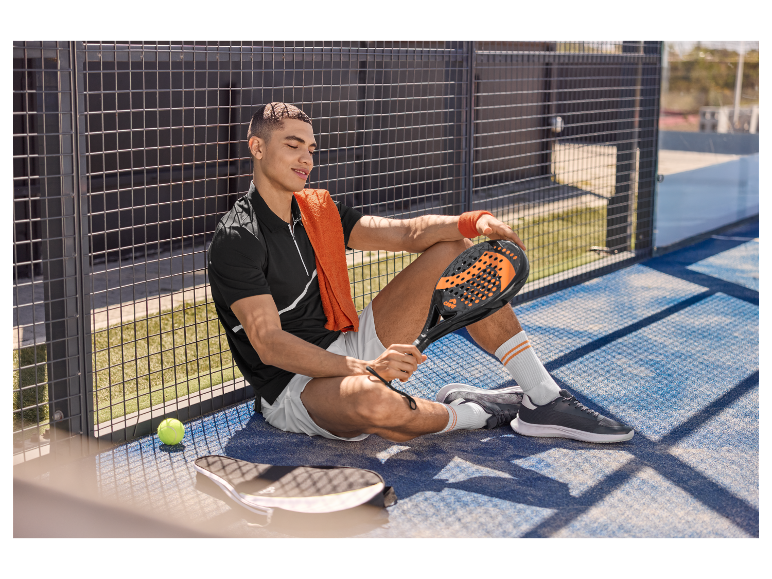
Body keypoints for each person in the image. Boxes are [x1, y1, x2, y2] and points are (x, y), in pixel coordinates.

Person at [208, 102, 633, 444]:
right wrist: (367, 368)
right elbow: (271, 346)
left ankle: (543, 398)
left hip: (346, 342)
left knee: (454, 250)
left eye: (311, 149)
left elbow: (407, 233)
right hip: (294, 383)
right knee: (376, 408)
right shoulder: (238, 238)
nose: (306, 159)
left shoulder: (318, 209)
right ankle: (477, 412)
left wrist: (472, 222)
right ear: (257, 148)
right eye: (293, 145)